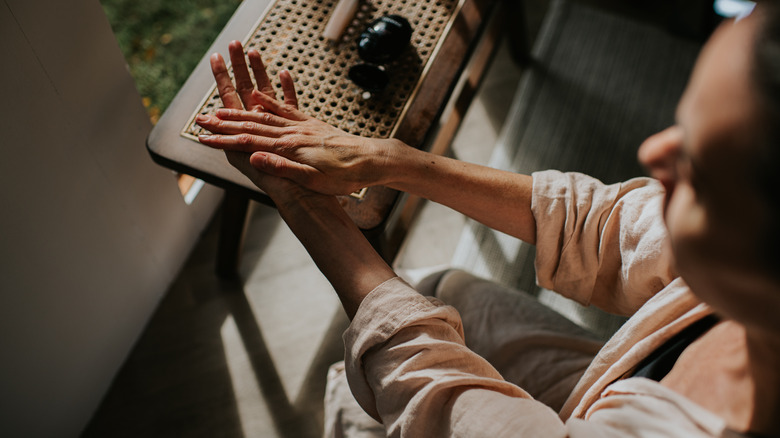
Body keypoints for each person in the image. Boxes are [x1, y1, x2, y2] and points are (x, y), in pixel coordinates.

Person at [194, 2, 780, 436]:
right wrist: (394, 161)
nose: (652, 152)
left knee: (361, 399)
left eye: (699, 167)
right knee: (437, 290)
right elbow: (607, 225)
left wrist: (307, 208)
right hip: (614, 382)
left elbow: (440, 408)